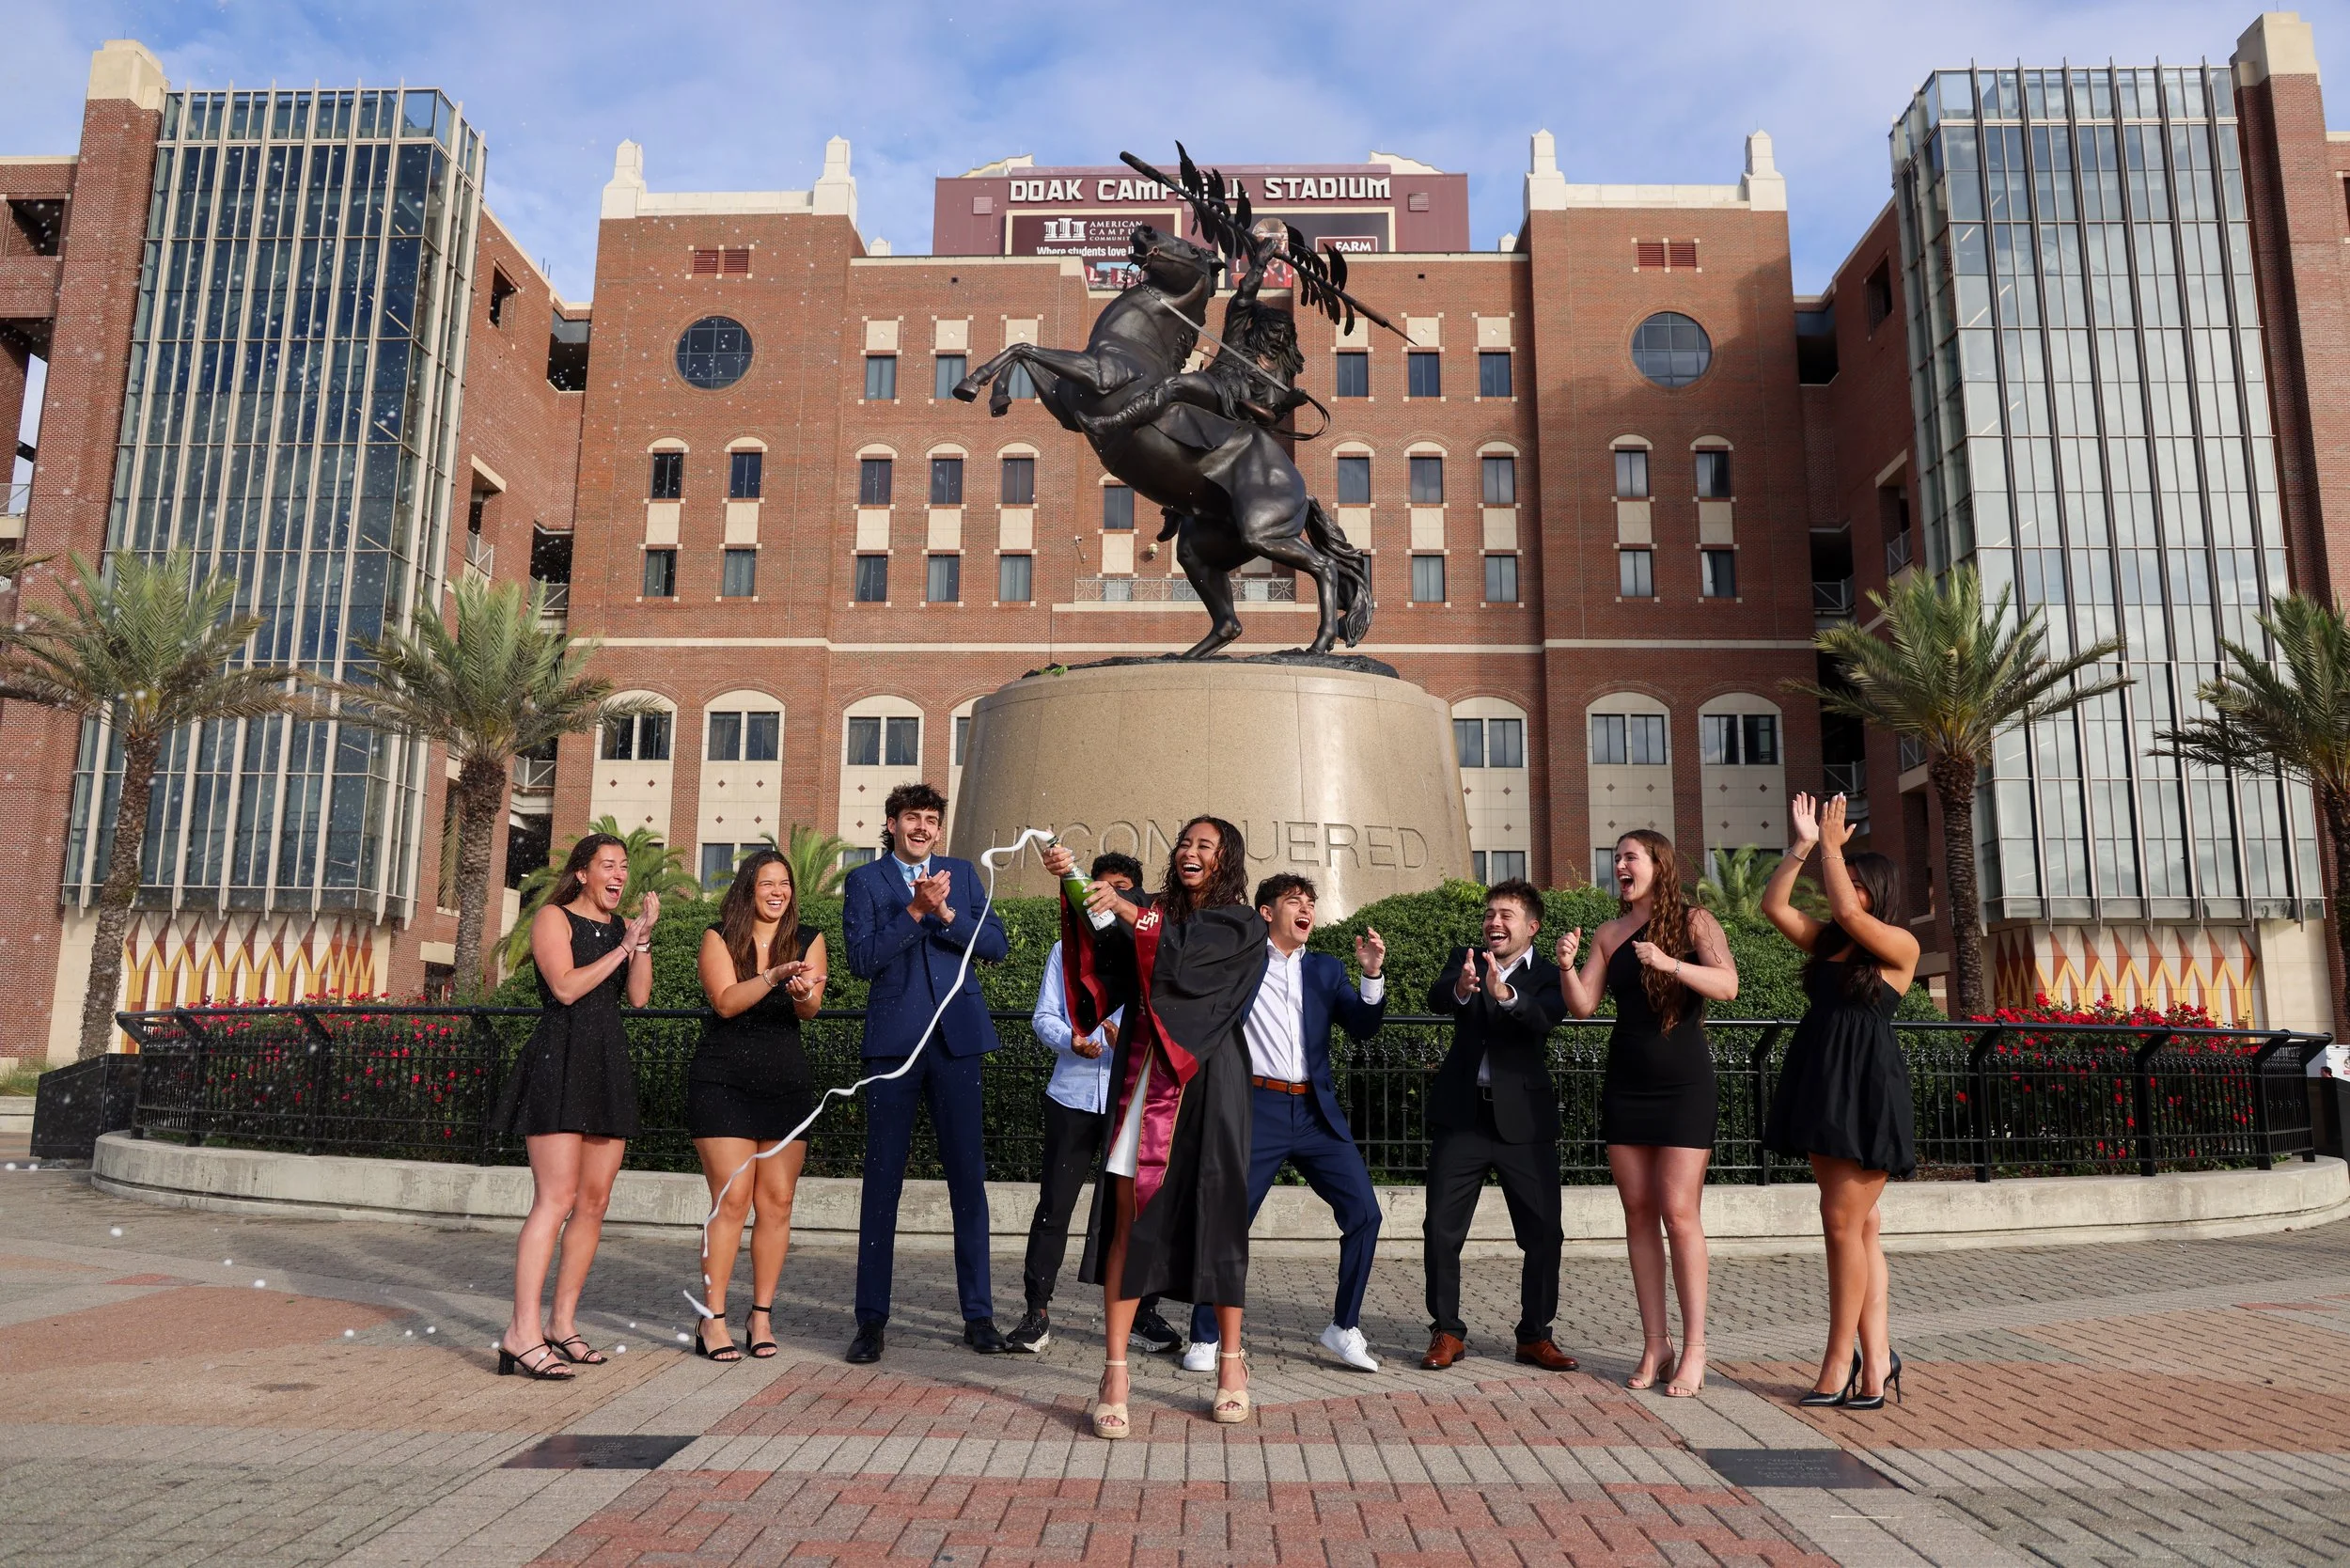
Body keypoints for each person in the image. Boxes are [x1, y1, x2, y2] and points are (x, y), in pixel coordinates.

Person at [1042, 819, 1266, 1437]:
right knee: (1128, 1219)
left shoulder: (1243, 924)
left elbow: (1190, 968)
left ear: (1226, 860)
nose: (1191, 852)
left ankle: (1230, 1366)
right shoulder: (1153, 911)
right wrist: (1077, 887)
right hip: (1145, 1076)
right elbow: (1110, 958)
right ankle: (1114, 1373)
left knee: (1218, 1217)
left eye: (1206, 845)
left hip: (1210, 1081)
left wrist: (1127, 910)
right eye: (1185, 843)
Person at [1557, 830, 1739, 1398]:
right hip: (1627, 1084)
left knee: (1679, 1212)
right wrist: (1566, 966)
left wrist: (1669, 963)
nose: (1619, 865)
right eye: (1615, 858)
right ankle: (1655, 1342)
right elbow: (1584, 1006)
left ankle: (1696, 1348)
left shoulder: (1695, 923)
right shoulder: (1609, 934)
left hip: (1684, 1085)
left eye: (1629, 857)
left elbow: (1728, 985)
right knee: (1638, 1211)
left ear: (1658, 864)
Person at [1183, 873, 1388, 1373]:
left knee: (1365, 1213)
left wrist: (1371, 975)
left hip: (1316, 1113)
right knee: (1230, 1221)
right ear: (1266, 913)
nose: (1307, 910)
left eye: (1311, 903)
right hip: (1257, 1106)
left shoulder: (1323, 969)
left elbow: (1361, 1028)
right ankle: (1206, 1335)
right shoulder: (1242, 965)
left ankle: (1343, 1328)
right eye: (1294, 901)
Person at [1760, 792, 1919, 1412]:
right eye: (1842, 877)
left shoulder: (1897, 945)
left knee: (1841, 1225)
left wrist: (1833, 846)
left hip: (1865, 1088)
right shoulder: (1829, 943)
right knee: (1860, 1227)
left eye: (1856, 880)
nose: (1844, 888)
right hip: (1821, 1081)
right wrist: (1803, 846)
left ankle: (1839, 1360)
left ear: (1879, 889)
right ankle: (1878, 1359)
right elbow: (1774, 904)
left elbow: (1852, 917)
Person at [841, 783, 1010, 1363]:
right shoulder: (865, 882)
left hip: (958, 1043)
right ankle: (870, 1321)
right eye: (910, 818)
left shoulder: (962, 874)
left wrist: (945, 914)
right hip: (893, 1048)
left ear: (940, 828)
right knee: (881, 1184)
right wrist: (914, 912)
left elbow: (996, 945)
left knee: (969, 1181)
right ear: (891, 824)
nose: (921, 827)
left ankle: (979, 1315)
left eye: (931, 819)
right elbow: (861, 960)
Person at [492, 831, 655, 1380]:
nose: (619, 875)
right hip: (558, 1061)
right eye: (608, 865)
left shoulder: (621, 930)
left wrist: (642, 941)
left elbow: (638, 997)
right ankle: (521, 1332)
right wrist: (623, 947)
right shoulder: (553, 919)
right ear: (582, 872)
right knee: (555, 1199)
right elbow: (565, 988)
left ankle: (562, 1325)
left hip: (606, 1063)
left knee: (594, 1201)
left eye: (624, 867)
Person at [1006, 851, 1181, 1357]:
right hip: (1074, 1095)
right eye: (1099, 886)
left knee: (1134, 1210)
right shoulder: (1066, 950)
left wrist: (1122, 1032)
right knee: (1054, 1206)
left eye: (1122, 887)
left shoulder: (1153, 948)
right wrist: (1073, 1039)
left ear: (1138, 895)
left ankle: (1142, 1313)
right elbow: (1044, 1017)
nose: (1108, 896)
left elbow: (1169, 1015)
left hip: (1134, 1097)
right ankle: (1036, 1313)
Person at [1419, 879, 1577, 1373]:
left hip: (1524, 1123)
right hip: (1462, 1117)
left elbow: (1545, 1017)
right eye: (1490, 913)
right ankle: (1446, 1332)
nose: (1495, 922)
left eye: (1507, 914)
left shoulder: (1551, 975)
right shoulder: (1462, 957)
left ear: (1532, 926)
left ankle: (1535, 1336)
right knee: (1441, 1229)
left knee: (1544, 1233)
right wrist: (1464, 990)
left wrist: (1506, 994)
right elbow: (1437, 997)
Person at [686, 847, 828, 1362]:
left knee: (777, 1203)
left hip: (786, 1084)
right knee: (732, 1200)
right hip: (722, 1081)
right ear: (749, 889)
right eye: (767, 883)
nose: (777, 891)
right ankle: (712, 1319)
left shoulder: (809, 940)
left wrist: (799, 990)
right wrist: (770, 977)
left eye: (784, 884)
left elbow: (811, 1009)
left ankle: (760, 1315)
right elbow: (724, 1000)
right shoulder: (718, 936)